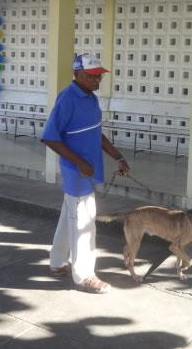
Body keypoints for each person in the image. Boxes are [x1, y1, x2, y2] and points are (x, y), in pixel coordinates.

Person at [41, 53, 129, 294]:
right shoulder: (68, 99)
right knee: (84, 223)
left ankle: (58, 263)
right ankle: (84, 276)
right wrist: (79, 162)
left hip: (88, 170)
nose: (97, 81)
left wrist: (118, 156)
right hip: (76, 172)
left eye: (99, 76)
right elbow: (50, 137)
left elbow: (96, 133)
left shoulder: (91, 99)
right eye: (92, 76)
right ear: (77, 74)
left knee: (70, 218)